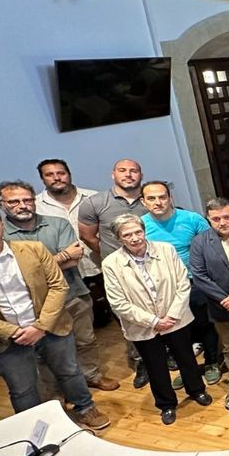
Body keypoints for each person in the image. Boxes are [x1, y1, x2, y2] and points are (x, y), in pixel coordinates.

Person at [0, 204, 111, 428]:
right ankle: (34, 425)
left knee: (70, 371)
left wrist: (40, 326)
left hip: (51, 327)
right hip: (4, 338)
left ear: (2, 226)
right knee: (23, 388)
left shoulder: (33, 249)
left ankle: (85, 407)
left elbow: (58, 287)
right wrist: (14, 331)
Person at [0, 181, 118, 392]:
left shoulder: (57, 223)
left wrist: (35, 267)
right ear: (1, 204)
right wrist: (61, 257)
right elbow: (14, 275)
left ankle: (91, 375)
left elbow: (74, 259)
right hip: (33, 305)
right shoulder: (0, 235)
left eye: (27, 200)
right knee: (47, 352)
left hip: (73, 294)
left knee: (85, 340)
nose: (22, 205)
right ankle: (59, 392)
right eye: (14, 201)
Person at [103, 214, 211, 425]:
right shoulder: (110, 263)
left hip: (176, 319)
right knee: (155, 366)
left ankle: (197, 390)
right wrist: (153, 321)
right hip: (143, 326)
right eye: (127, 235)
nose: (134, 238)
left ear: (144, 231)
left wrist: (171, 315)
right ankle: (166, 404)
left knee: (186, 357)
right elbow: (118, 303)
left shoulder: (166, 250)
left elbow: (182, 283)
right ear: (119, 238)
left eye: (138, 232)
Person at [140, 181, 222, 386]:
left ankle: (212, 362)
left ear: (170, 198)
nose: (158, 202)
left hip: (196, 282)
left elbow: (211, 247)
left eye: (162, 197)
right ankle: (189, 370)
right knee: (178, 332)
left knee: (205, 324)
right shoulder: (140, 225)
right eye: (151, 198)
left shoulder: (192, 219)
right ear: (143, 202)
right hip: (163, 288)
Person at [78, 159, 150, 387]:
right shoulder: (96, 203)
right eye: (123, 170)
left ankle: (164, 354)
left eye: (134, 171)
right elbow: (87, 236)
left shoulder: (150, 199)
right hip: (120, 272)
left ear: (140, 174)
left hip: (152, 265)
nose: (128, 175)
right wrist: (112, 256)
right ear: (113, 174)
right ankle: (141, 361)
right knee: (129, 318)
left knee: (157, 311)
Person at [189, 198, 229, 405]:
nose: (222, 222)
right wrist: (226, 299)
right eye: (215, 219)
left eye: (226, 217)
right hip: (221, 307)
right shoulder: (200, 241)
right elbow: (199, 276)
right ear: (208, 219)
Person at [34, 159, 101, 310]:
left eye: (61, 173)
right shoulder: (36, 206)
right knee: (82, 317)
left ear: (69, 175)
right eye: (50, 175)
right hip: (67, 271)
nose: (57, 178)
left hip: (99, 263)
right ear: (42, 179)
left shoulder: (94, 197)